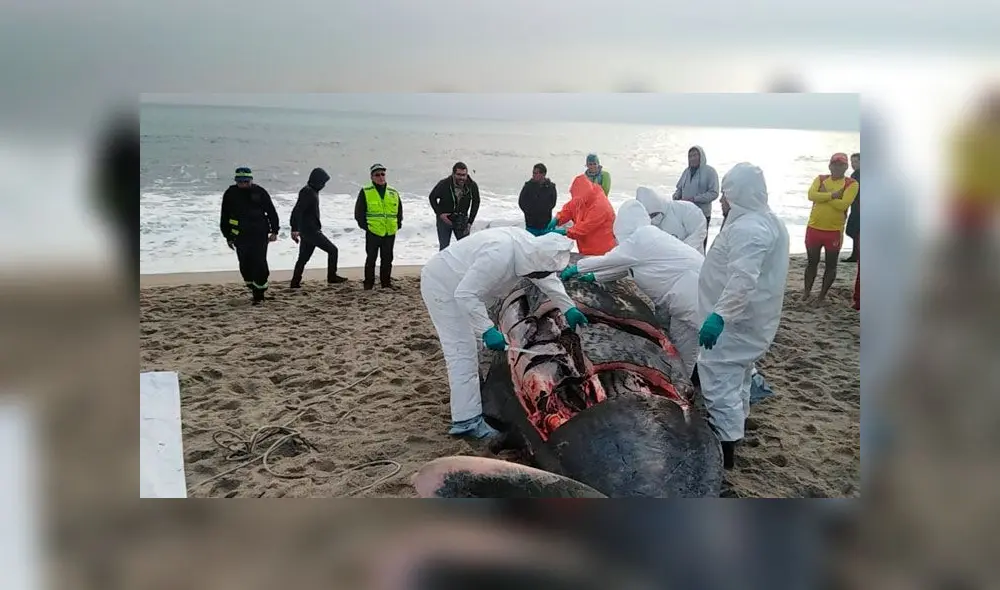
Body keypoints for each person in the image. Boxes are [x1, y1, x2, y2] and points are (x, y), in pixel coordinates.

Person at [420, 228, 589, 439]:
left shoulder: (531, 251)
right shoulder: (498, 256)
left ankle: (473, 396)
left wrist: (568, 307)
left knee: (473, 347)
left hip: (464, 286)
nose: (539, 277)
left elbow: (546, 279)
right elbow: (465, 294)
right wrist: (487, 329)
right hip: (444, 286)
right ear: (532, 265)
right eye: (537, 273)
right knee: (461, 350)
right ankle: (466, 422)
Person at [697, 163, 789, 470]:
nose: (722, 200)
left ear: (737, 194)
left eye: (726, 193)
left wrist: (719, 317)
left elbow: (742, 280)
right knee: (741, 376)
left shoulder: (750, 229)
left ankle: (726, 452)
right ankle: (736, 427)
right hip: (751, 322)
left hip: (735, 325)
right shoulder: (765, 222)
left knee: (719, 378)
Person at [560, 199, 703, 379]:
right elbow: (626, 267)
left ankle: (684, 388)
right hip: (690, 292)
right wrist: (595, 277)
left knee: (691, 346)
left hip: (690, 298)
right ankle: (686, 379)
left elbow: (609, 259)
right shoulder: (651, 236)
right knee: (684, 341)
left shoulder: (642, 239)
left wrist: (578, 267)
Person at [219, 167, 280, 305]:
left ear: (251, 180)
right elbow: (224, 216)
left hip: (259, 235)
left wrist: (275, 231)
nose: (243, 184)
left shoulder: (260, 192)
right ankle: (253, 288)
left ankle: (259, 295)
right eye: (240, 182)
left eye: (246, 181)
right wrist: (227, 236)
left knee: (260, 265)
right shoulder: (230, 193)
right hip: (240, 236)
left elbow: (271, 212)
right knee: (245, 266)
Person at [803, 153, 859, 303]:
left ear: (846, 167)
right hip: (814, 227)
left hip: (834, 231)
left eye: (841, 164)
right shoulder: (821, 178)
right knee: (811, 263)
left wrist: (824, 195)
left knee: (831, 265)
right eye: (835, 164)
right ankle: (806, 292)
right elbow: (810, 195)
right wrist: (833, 195)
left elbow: (844, 205)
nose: (837, 167)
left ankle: (821, 296)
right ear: (829, 165)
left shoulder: (851, 184)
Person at [289, 167, 348, 288]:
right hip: (311, 231)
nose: (324, 185)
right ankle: (332, 276)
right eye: (323, 182)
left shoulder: (311, 190)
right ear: (317, 180)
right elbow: (297, 211)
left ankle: (295, 282)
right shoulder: (308, 192)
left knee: (303, 258)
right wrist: (294, 228)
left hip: (307, 230)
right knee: (333, 250)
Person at [354, 163, 402, 290]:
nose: (381, 177)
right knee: (371, 259)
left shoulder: (393, 192)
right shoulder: (366, 191)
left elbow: (399, 211)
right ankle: (368, 283)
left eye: (382, 174)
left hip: (389, 232)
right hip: (373, 231)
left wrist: (398, 224)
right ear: (372, 177)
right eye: (377, 175)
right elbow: (359, 213)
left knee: (387, 259)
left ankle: (386, 283)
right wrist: (367, 227)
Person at [545, 175, 616, 255]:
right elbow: (570, 208)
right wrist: (557, 219)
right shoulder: (582, 196)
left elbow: (584, 228)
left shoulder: (600, 206)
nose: (577, 200)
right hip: (585, 249)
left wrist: (565, 232)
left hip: (602, 251)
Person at [635, 186, 709, 254]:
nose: (653, 220)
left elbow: (699, 232)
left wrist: (681, 251)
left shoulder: (686, 209)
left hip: (693, 258)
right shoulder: (643, 223)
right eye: (649, 217)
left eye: (654, 215)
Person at [672, 146, 719, 251]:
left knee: (700, 243)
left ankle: (700, 264)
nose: (692, 158)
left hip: (702, 215)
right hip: (685, 214)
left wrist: (695, 199)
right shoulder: (686, 172)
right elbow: (679, 188)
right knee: (686, 241)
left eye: (695, 155)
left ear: (701, 156)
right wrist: (676, 196)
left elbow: (714, 193)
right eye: (690, 156)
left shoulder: (710, 172)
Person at [429, 162, 481, 250]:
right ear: (453, 174)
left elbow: (476, 202)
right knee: (444, 249)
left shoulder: (472, 185)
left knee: (465, 249)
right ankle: (444, 264)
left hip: (462, 219)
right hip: (445, 220)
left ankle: (463, 264)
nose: (462, 178)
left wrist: (470, 222)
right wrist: (440, 214)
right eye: (459, 175)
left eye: (464, 175)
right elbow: (432, 197)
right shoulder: (444, 184)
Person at [518, 163, 558, 236]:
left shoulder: (551, 187)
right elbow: (521, 202)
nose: (533, 175)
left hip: (545, 223)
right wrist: (529, 212)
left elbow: (552, 203)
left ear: (543, 174)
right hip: (531, 224)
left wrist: (543, 210)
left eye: (536, 173)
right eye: (533, 173)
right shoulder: (528, 186)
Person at [843, 153, 861, 262]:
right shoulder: (854, 174)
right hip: (855, 206)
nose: (853, 164)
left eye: (855, 162)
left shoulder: (860, 174)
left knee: (855, 231)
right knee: (852, 231)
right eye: (852, 162)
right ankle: (856, 255)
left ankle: (856, 255)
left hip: (860, 208)